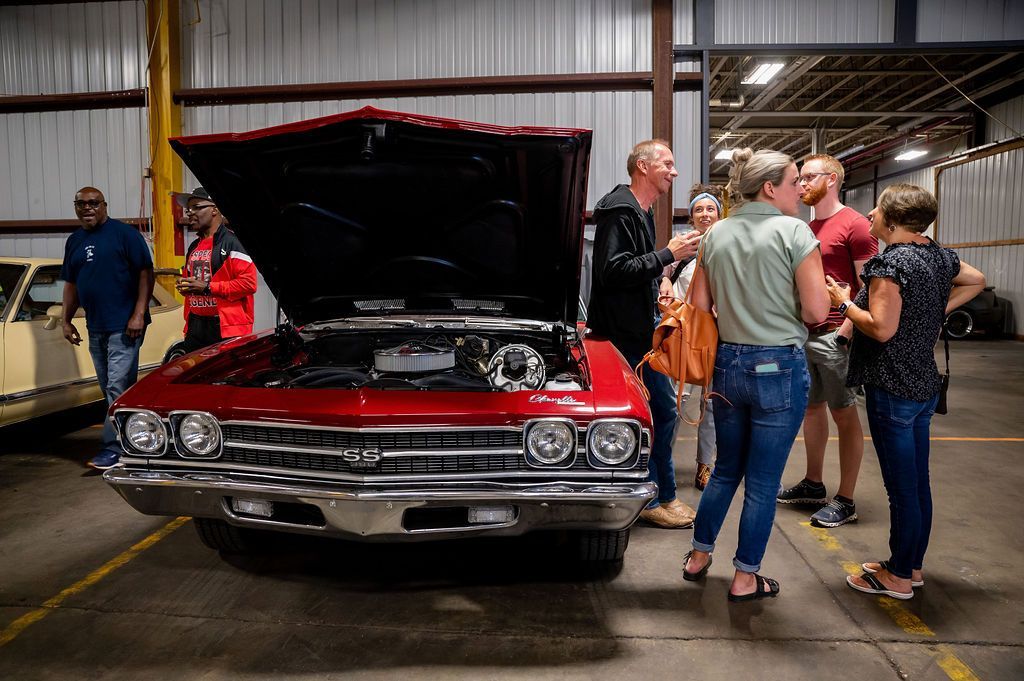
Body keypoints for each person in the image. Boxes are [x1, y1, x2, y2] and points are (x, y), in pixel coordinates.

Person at [681, 148, 829, 601]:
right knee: (763, 481)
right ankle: (746, 576)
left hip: (727, 362)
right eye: (792, 182)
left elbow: (700, 306)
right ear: (770, 187)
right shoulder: (795, 232)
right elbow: (816, 309)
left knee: (725, 470)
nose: (799, 190)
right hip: (776, 364)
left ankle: (698, 555)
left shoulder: (716, 233)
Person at [830, 184, 985, 600]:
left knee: (901, 489)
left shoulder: (890, 264)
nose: (870, 217)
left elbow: (881, 327)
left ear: (893, 222)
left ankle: (898, 577)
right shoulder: (939, 255)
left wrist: (844, 303)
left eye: (877, 211)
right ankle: (910, 565)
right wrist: (938, 310)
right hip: (923, 384)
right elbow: (977, 280)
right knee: (917, 484)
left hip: (894, 386)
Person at [587, 139, 702, 529]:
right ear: (642, 166)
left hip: (639, 331)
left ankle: (661, 493)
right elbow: (612, 271)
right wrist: (668, 255)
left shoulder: (642, 211)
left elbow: (635, 269)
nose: (674, 171)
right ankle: (655, 495)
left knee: (662, 414)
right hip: (623, 339)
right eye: (667, 164)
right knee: (655, 415)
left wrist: (661, 282)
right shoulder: (620, 211)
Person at [777, 154, 877, 528]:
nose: (801, 185)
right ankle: (813, 483)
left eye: (807, 178)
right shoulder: (810, 224)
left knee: (844, 413)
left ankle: (846, 499)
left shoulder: (855, 225)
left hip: (836, 335)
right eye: (799, 179)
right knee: (812, 409)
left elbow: (871, 284)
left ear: (831, 179)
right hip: (807, 332)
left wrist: (846, 332)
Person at [61, 187, 155, 470]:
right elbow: (72, 284)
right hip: (96, 326)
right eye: (81, 204)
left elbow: (145, 273)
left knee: (117, 386)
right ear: (75, 207)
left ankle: (112, 449)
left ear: (104, 205)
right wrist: (66, 320)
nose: (87, 208)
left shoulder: (124, 235)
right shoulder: (74, 241)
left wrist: (138, 314)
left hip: (125, 326)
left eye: (93, 203)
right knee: (113, 389)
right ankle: (138, 436)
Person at [659, 183, 726, 490]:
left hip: (720, 331)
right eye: (698, 209)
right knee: (676, 399)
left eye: (709, 208)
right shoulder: (682, 242)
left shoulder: (727, 241)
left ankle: (705, 465)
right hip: (686, 332)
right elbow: (664, 272)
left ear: (719, 212)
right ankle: (662, 463)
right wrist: (666, 283)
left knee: (712, 403)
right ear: (691, 215)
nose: (704, 214)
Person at [174, 188, 257, 352]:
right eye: (189, 209)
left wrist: (207, 287)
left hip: (226, 328)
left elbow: (248, 284)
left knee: (225, 377)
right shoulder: (193, 247)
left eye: (197, 207)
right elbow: (192, 283)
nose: (190, 213)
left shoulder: (233, 243)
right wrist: (186, 286)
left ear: (215, 209)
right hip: (196, 326)